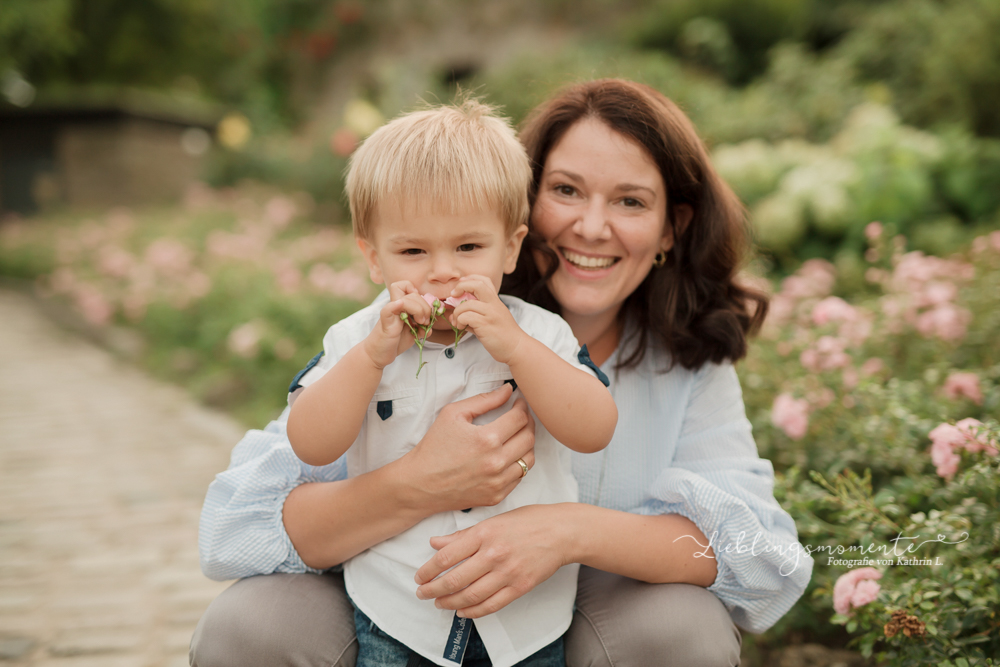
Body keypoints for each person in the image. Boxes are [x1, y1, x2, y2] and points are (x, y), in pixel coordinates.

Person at [191, 79, 813, 667]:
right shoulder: (384, 337)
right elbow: (238, 526)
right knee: (252, 622)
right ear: (525, 201)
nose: (591, 227)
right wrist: (417, 483)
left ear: (669, 230)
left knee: (682, 628)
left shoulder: (651, 358)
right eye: (566, 191)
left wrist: (571, 532)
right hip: (396, 607)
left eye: (630, 201)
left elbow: (755, 552)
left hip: (545, 625)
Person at [284, 99, 617, 667]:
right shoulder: (355, 340)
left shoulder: (538, 332)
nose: (442, 271)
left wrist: (514, 346)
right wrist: (370, 359)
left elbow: (594, 428)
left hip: (526, 615)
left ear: (510, 248)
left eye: (468, 247)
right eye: (413, 250)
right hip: (398, 609)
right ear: (373, 257)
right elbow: (311, 443)